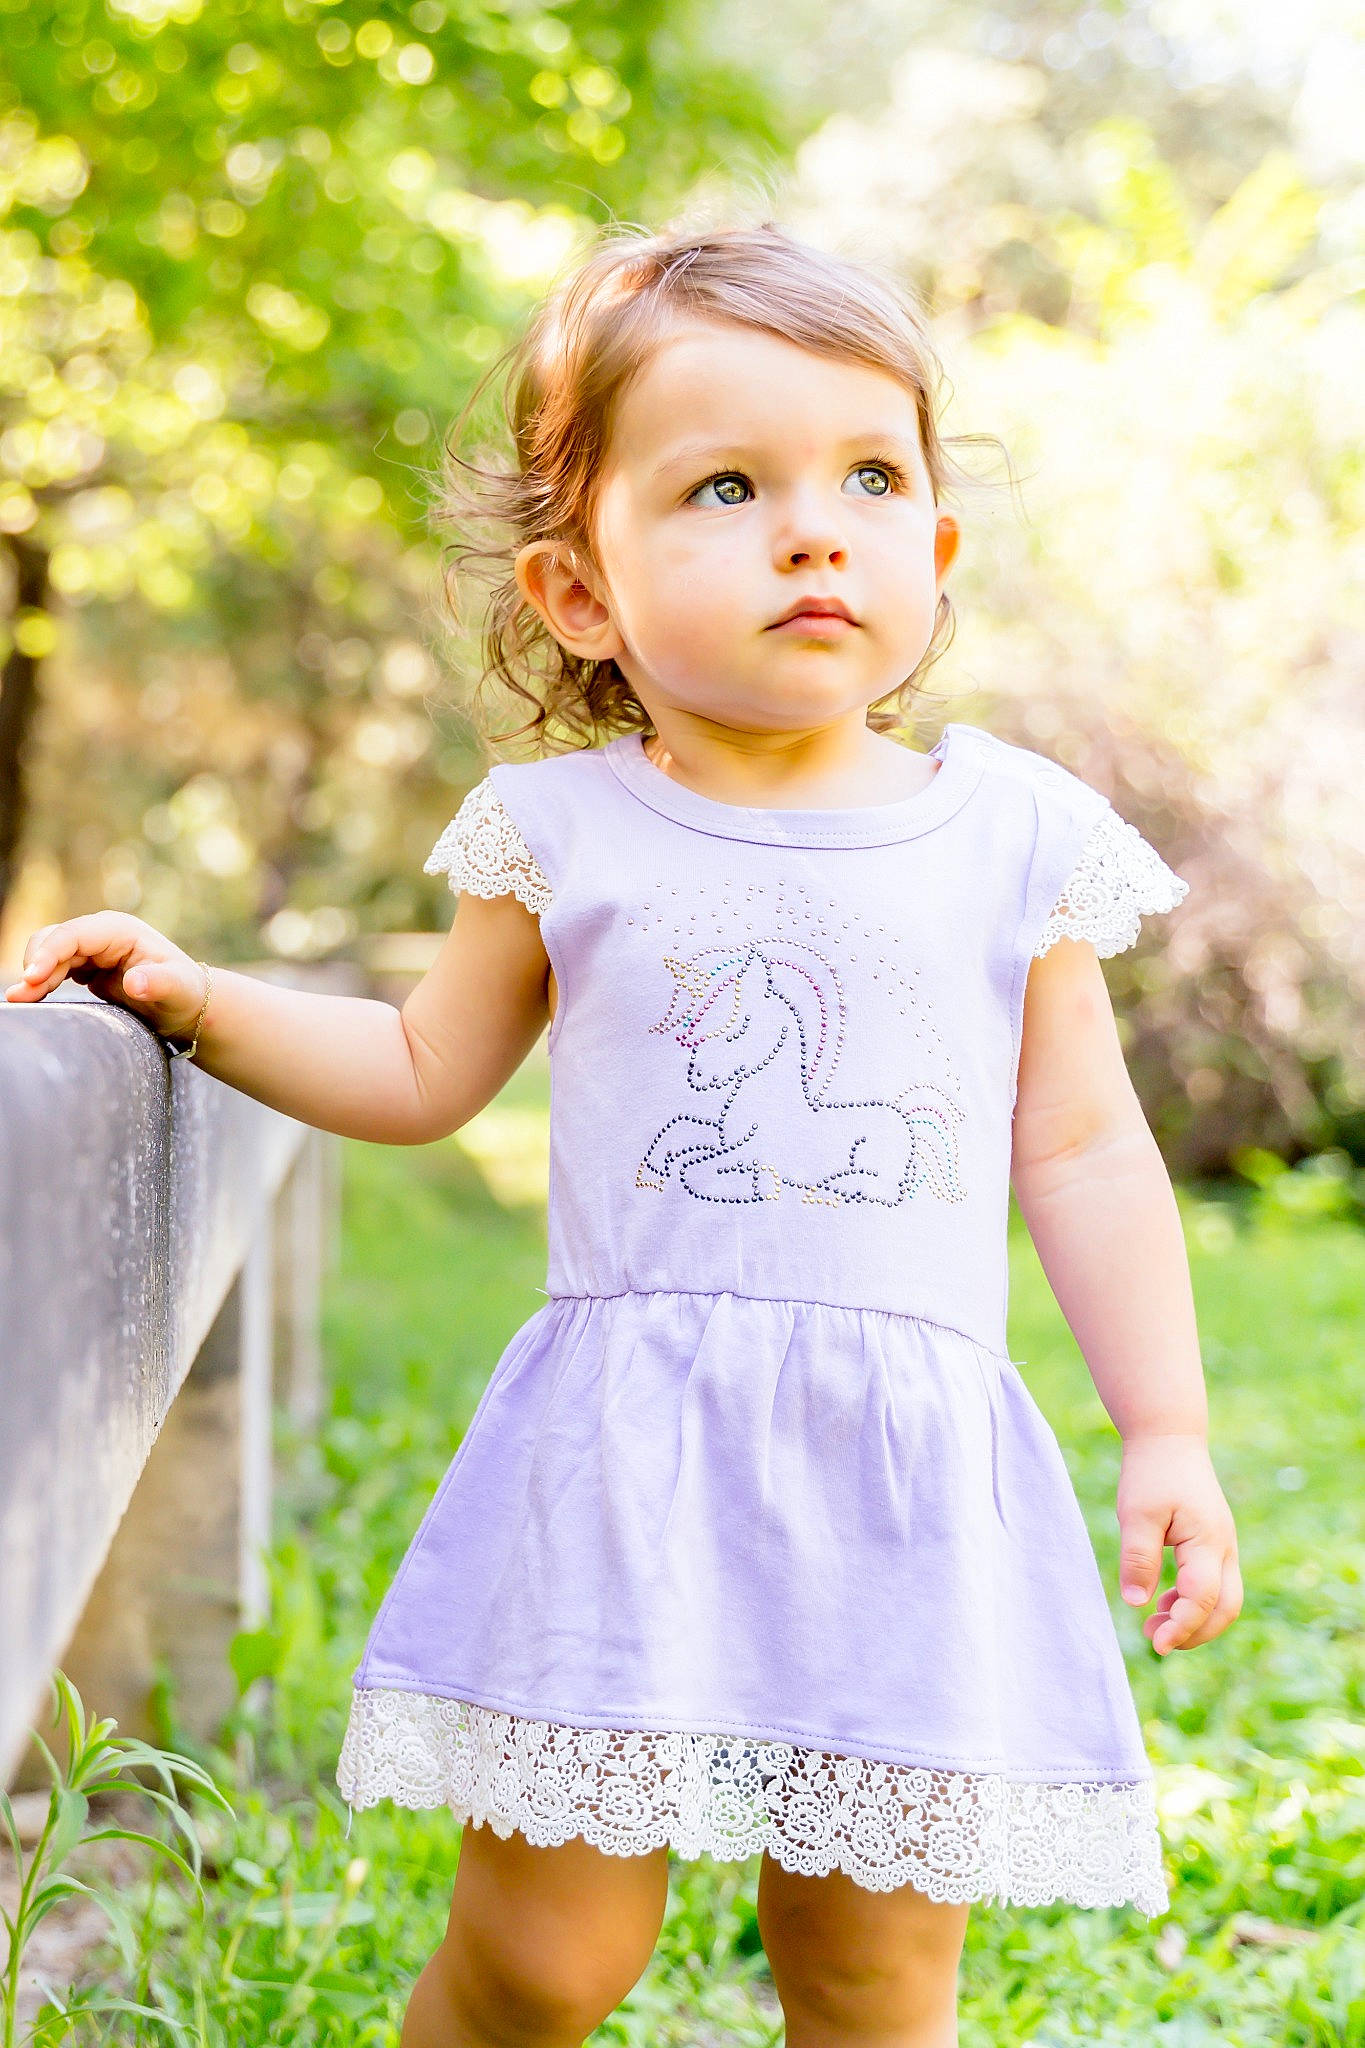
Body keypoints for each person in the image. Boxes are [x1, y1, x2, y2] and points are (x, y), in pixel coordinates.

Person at [5, 219, 1242, 2048]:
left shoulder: (1012, 837)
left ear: (933, 550)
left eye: (869, 478)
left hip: (900, 1488)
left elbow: (1078, 1148)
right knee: (545, 1960)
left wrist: (1167, 1432)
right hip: (626, 1468)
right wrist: (199, 1000)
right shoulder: (561, 832)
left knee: (873, 1976)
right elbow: (419, 1066)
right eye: (727, 487)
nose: (813, 532)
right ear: (580, 591)